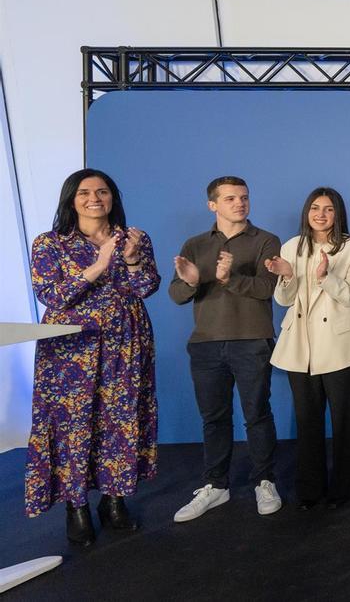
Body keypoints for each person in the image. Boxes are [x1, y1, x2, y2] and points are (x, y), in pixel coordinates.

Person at [26, 169, 160, 546]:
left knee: (120, 420)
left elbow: (146, 288)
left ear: (113, 197)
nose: (94, 198)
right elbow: (52, 295)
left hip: (126, 343)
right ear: (72, 199)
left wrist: (132, 261)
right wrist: (98, 266)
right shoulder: (50, 243)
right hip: (70, 351)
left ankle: (114, 501)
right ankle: (76, 506)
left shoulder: (135, 238)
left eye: (102, 191)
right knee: (73, 425)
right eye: (84, 192)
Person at [170, 176, 282, 522]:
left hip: (252, 341)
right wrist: (191, 282)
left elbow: (267, 289)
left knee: (257, 415)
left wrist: (228, 278)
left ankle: (264, 480)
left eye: (244, 197)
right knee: (214, 419)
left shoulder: (265, 240)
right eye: (231, 198)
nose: (239, 203)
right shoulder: (195, 244)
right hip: (206, 345)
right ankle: (216, 485)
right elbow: (176, 295)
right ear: (212, 205)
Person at [267, 187, 350, 509]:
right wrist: (287, 277)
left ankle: (344, 488)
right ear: (306, 212)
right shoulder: (292, 246)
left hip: (340, 343)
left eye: (328, 209)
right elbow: (283, 300)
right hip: (302, 345)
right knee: (307, 419)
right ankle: (310, 489)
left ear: (338, 213)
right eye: (315, 208)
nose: (321, 215)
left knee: (344, 419)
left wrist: (327, 277)